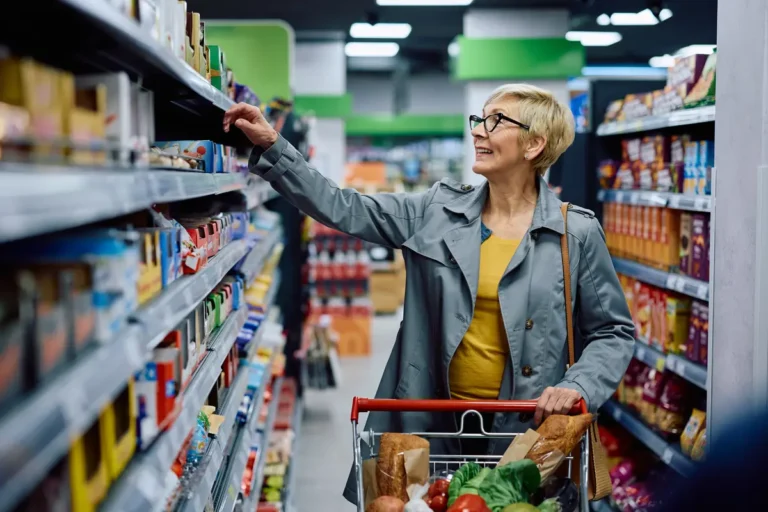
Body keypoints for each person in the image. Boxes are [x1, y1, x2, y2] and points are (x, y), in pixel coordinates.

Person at [224, 83, 635, 503]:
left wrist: (580, 385)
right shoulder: (435, 212)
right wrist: (275, 148)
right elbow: (342, 206)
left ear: (534, 144)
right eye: (480, 119)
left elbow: (613, 332)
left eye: (495, 121)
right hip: (433, 425)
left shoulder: (574, 233)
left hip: (527, 434)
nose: (478, 131)